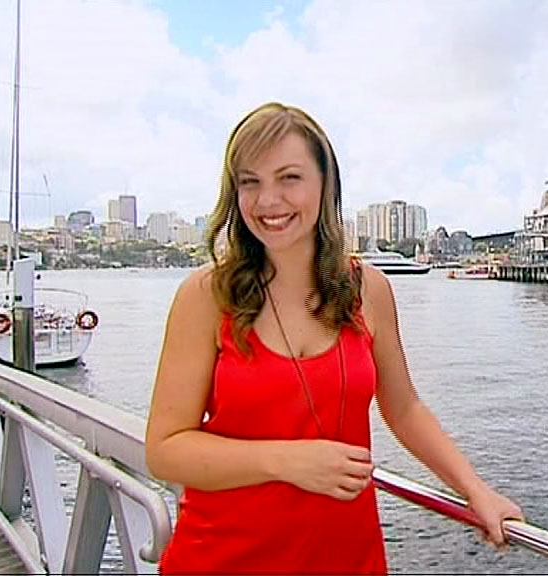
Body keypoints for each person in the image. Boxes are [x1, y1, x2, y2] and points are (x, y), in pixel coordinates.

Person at [145, 103, 523, 574]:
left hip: (347, 559)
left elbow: (404, 408)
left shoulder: (369, 290)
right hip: (222, 559)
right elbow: (165, 449)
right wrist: (286, 461)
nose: (268, 201)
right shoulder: (206, 296)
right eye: (250, 182)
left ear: (325, 185)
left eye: (289, 178)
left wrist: (475, 491)